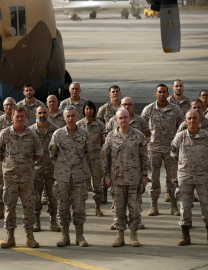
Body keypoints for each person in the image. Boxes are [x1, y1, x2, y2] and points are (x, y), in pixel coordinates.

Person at [0, 106, 42, 249]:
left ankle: (30, 236)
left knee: (29, 207)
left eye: (22, 116)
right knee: (9, 207)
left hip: (27, 177)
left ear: (26, 117)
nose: (20, 119)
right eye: (17, 116)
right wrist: (8, 164)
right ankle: (10, 237)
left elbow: (38, 153)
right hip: (10, 177)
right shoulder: (5, 133)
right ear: (12, 117)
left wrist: (27, 164)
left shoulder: (32, 134)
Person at [102, 108, 149, 247]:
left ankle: (134, 236)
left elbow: (144, 157)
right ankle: (120, 236)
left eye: (125, 117)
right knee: (119, 208)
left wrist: (145, 175)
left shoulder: (139, 136)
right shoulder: (110, 136)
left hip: (134, 179)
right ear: (116, 120)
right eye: (120, 118)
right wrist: (107, 177)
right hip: (117, 180)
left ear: (129, 119)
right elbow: (106, 159)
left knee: (134, 208)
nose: (123, 120)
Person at [49, 105, 92, 247]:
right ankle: (64, 235)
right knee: (63, 207)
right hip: (62, 178)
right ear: (64, 117)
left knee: (79, 208)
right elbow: (52, 155)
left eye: (73, 116)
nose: (70, 118)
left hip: (79, 178)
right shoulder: (57, 134)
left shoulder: (85, 134)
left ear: (77, 116)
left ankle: (80, 236)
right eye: (68, 116)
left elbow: (90, 154)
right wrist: (63, 167)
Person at [141, 84, 184, 216]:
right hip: (154, 149)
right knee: (154, 178)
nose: (161, 94)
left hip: (170, 149)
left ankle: (173, 205)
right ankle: (154, 206)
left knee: (172, 178)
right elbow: (141, 126)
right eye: (159, 92)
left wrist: (177, 143)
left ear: (167, 93)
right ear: (156, 94)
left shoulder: (175, 109)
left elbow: (182, 126)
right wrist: (147, 139)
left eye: (164, 92)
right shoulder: (149, 109)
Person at [171, 110, 208, 246]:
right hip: (185, 177)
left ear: (200, 120)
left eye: (194, 118)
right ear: (185, 121)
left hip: (203, 177)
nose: (192, 121)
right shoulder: (180, 137)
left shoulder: (206, 136)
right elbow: (174, 154)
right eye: (189, 118)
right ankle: (185, 235)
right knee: (185, 207)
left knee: (206, 206)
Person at [29, 106, 60, 232]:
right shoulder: (30, 131)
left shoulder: (56, 131)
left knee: (53, 196)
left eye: (44, 113)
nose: (42, 115)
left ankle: (53, 221)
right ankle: (36, 221)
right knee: (36, 197)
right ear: (36, 115)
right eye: (39, 113)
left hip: (52, 170)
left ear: (48, 114)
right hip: (36, 170)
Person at [76, 101, 105, 216]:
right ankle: (82, 208)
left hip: (96, 158)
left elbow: (103, 140)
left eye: (91, 109)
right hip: (82, 159)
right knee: (82, 185)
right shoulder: (79, 125)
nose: (89, 111)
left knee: (97, 183)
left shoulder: (100, 125)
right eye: (87, 109)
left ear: (94, 110)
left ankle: (97, 207)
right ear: (84, 110)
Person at [0, 97, 16, 219]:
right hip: (3, 159)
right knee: (1, 183)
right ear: (3, 107)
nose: (9, 107)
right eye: (7, 105)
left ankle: (12, 209)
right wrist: (0, 157)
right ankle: (0, 207)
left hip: (17, 159)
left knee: (16, 185)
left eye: (11, 105)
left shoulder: (19, 119)